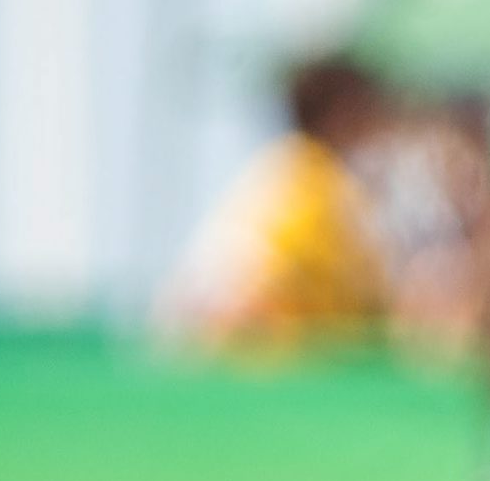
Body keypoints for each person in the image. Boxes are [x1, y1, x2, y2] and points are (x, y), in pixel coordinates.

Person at [163, 52, 393, 349]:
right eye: (369, 110)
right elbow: (244, 287)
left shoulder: (283, 168)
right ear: (343, 113)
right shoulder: (312, 186)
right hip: (248, 356)